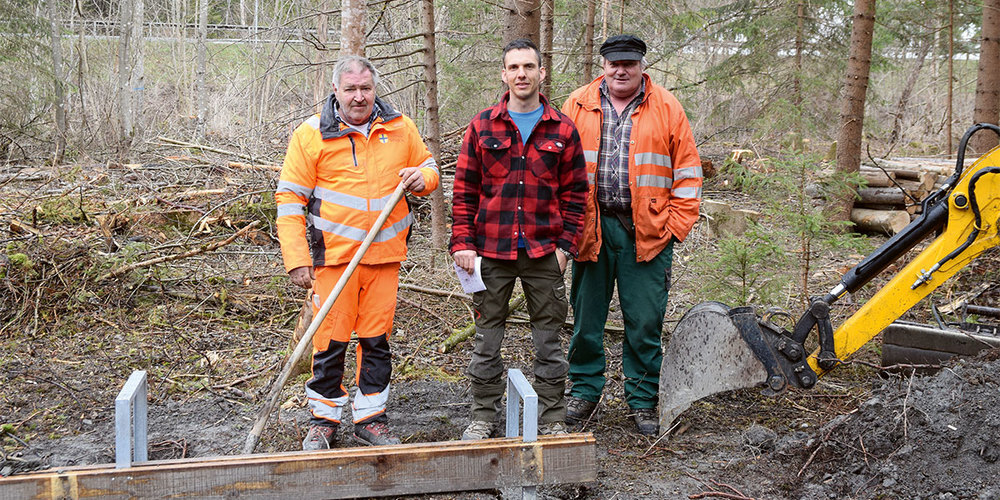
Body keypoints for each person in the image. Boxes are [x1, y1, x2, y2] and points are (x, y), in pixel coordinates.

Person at [275, 55, 440, 450]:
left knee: (376, 341)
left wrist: (423, 178)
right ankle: (323, 420)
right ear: (336, 90)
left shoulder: (400, 128)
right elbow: (288, 198)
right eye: (350, 89)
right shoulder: (311, 134)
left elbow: (430, 168)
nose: (359, 96)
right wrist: (297, 258)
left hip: (384, 259)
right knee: (329, 343)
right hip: (334, 261)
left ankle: (370, 419)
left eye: (365, 88)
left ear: (374, 88)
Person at [560, 35, 702, 436]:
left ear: (642, 66)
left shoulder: (667, 107)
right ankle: (584, 392)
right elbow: (558, 168)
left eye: (629, 63)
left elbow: (689, 173)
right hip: (592, 227)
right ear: (603, 65)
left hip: (649, 231)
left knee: (644, 321)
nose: (621, 70)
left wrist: (674, 227)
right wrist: (565, 226)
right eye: (614, 63)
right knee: (587, 319)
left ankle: (642, 399)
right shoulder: (578, 103)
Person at [450, 38, 588, 440]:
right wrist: (462, 243)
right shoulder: (482, 125)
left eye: (529, 67)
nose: (521, 74)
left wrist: (565, 248)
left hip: (544, 251)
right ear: (504, 73)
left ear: (541, 72)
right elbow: (464, 190)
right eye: (514, 68)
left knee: (548, 341)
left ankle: (553, 419)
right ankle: (482, 415)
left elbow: (577, 195)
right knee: (486, 340)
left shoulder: (562, 128)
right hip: (490, 251)